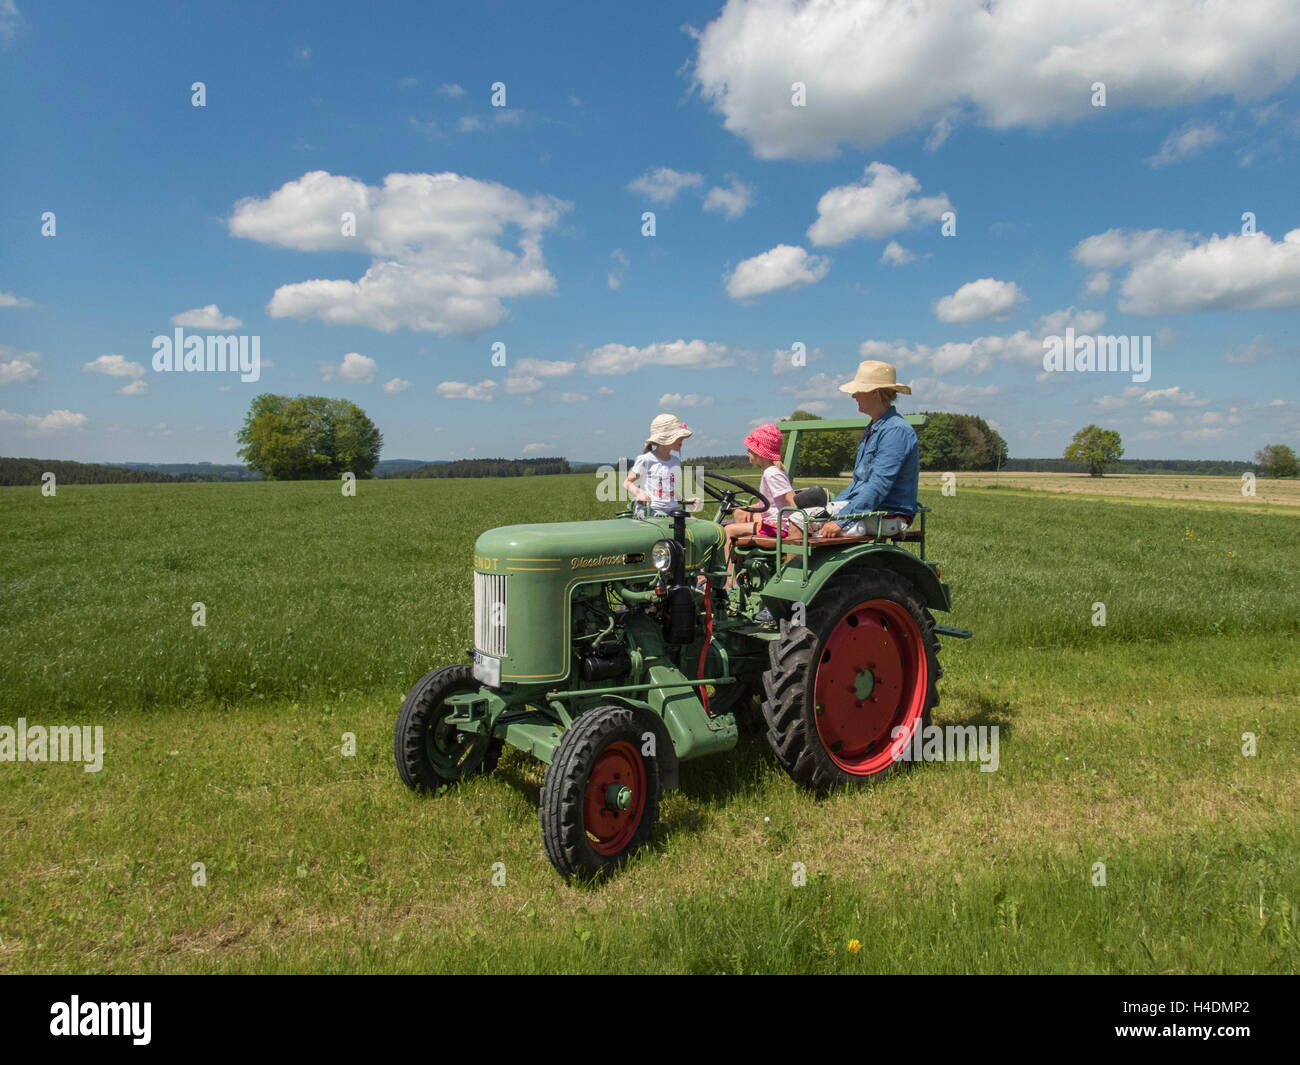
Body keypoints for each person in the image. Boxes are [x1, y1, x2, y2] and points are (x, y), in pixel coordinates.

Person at [817, 361, 919, 539]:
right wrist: (835, 505)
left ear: (875, 393)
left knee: (799, 522)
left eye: (858, 390)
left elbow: (878, 485)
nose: (853, 396)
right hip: (870, 510)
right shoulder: (875, 427)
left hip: (886, 514)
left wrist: (840, 520)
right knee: (798, 516)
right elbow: (859, 485)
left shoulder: (895, 431)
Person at [722, 423, 798, 572]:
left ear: (760, 451)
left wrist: (794, 527)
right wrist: (749, 508)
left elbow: (792, 501)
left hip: (778, 526)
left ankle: (729, 581)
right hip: (775, 521)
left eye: (751, 448)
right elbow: (772, 503)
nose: (747, 451)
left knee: (728, 530)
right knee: (739, 513)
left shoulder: (772, 473)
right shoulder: (772, 471)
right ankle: (744, 566)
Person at [624, 413, 695, 516]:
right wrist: (639, 493)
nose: (682, 440)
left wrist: (685, 500)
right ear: (666, 438)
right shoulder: (646, 459)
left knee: (700, 527)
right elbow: (627, 482)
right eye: (679, 437)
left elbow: (669, 488)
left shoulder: (675, 461)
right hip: (652, 510)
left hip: (673, 509)